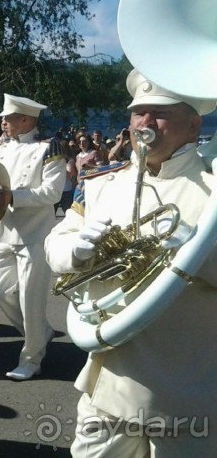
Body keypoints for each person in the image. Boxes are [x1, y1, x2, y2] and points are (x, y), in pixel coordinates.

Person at [45, 69, 217, 456]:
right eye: (138, 112)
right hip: (109, 383)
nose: (144, 123)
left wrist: (189, 250)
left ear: (193, 126)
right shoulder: (104, 182)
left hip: (187, 391)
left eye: (159, 113)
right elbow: (56, 242)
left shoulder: (213, 190)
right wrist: (76, 251)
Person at [0, 93, 65, 381]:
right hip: (5, 229)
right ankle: (40, 333)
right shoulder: (0, 146)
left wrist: (14, 197)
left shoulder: (49, 148)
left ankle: (31, 358)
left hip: (35, 233)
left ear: (25, 120)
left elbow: (53, 192)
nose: (3, 122)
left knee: (31, 300)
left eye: (8, 118)